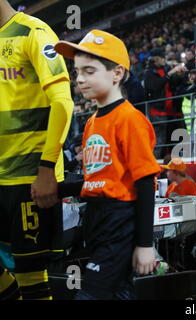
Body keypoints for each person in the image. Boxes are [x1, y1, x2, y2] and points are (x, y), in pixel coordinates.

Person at [54, 29, 161, 299]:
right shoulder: (92, 122)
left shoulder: (129, 119)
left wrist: (145, 244)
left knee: (91, 294)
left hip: (119, 220)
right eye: (77, 71)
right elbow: (99, 178)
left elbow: (146, 182)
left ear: (117, 74)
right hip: (97, 219)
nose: (80, 79)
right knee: (118, 293)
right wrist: (57, 189)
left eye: (90, 71)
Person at [0, 1, 74, 300]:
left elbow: (62, 101)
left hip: (28, 178)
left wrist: (46, 169)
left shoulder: (33, 31)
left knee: (31, 273)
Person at [144, 48, 187, 159]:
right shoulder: (149, 72)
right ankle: (154, 167)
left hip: (171, 111)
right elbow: (154, 87)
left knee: (172, 140)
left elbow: (172, 84)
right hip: (158, 111)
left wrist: (179, 75)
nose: (164, 60)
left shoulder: (166, 69)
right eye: (162, 58)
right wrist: (170, 74)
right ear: (156, 59)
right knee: (159, 142)